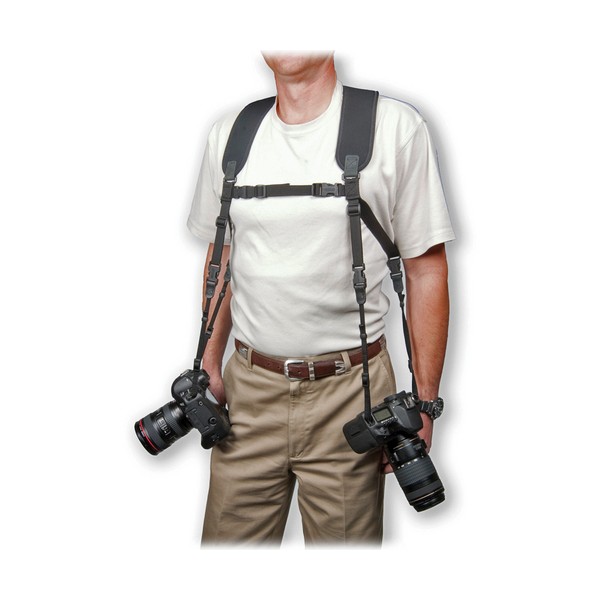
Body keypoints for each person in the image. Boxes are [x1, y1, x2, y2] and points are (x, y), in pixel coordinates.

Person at [187, 52, 455, 545]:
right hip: (248, 395)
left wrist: (425, 402)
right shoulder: (232, 134)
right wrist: (208, 363)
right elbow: (221, 256)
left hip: (354, 393)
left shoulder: (394, 126)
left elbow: (426, 269)